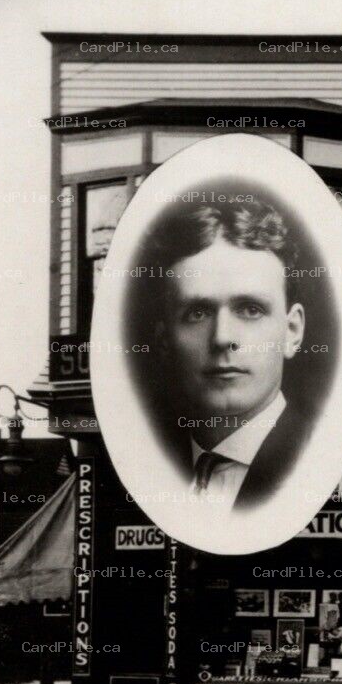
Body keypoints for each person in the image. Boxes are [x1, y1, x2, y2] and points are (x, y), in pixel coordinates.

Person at [137, 195, 315, 512]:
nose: (222, 338)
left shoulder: (320, 458)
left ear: (292, 331)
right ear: (164, 339)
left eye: (250, 309)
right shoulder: (145, 465)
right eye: (197, 313)